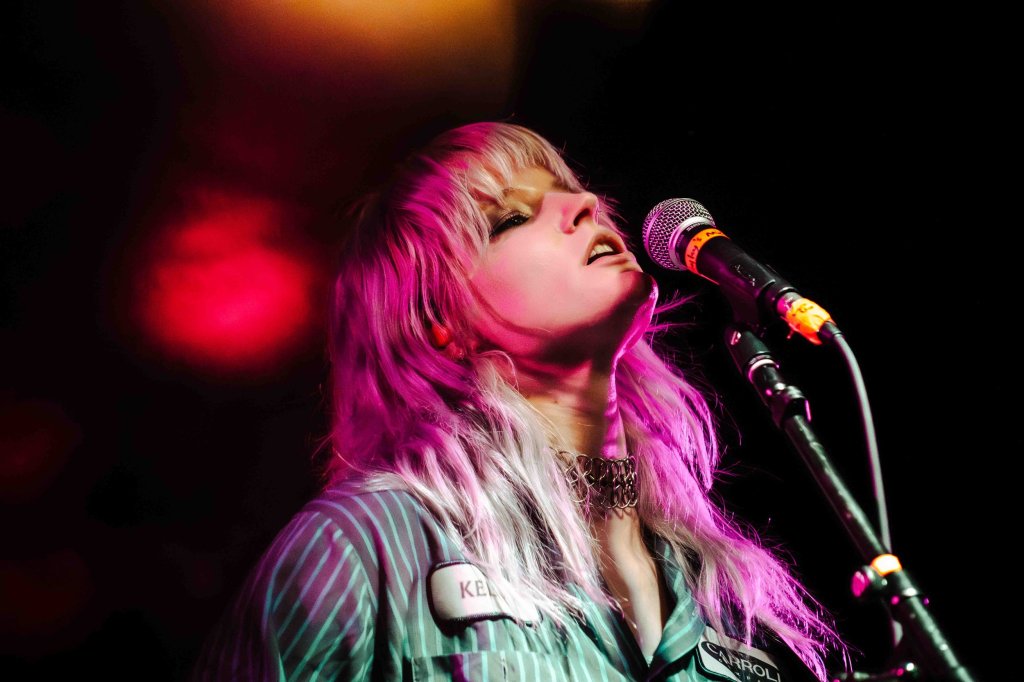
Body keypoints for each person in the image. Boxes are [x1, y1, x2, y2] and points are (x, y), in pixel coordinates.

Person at [192, 121, 849, 681]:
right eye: (510, 217)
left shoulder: (721, 596)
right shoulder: (364, 548)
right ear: (438, 320)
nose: (585, 204)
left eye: (576, 192)